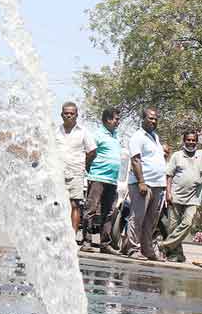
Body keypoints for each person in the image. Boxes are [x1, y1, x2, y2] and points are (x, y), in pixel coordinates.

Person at [121, 107, 166, 260]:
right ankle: (133, 249)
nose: (153, 121)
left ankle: (147, 250)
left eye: (155, 119)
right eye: (150, 118)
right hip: (143, 184)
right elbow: (135, 160)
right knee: (138, 217)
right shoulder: (137, 137)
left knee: (151, 220)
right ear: (143, 119)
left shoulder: (155, 137)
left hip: (158, 185)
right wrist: (141, 182)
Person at [56, 102, 96, 245]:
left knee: (75, 204)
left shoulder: (83, 132)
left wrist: (84, 165)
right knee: (58, 204)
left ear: (76, 115)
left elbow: (92, 151)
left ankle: (71, 238)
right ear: (61, 115)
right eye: (66, 113)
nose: (68, 115)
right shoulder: (56, 131)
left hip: (76, 172)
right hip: (58, 173)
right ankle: (58, 234)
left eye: (71, 113)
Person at [159, 131, 202, 262]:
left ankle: (164, 245)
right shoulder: (177, 156)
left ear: (197, 141)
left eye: (193, 140)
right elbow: (169, 175)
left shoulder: (200, 155)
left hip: (193, 198)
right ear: (184, 141)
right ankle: (176, 255)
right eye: (188, 140)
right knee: (173, 227)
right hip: (176, 196)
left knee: (188, 223)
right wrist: (168, 193)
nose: (191, 142)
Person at [83, 108, 121, 255]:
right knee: (91, 210)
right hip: (98, 178)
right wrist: (90, 170)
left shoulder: (115, 136)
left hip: (112, 180)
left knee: (109, 212)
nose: (118, 121)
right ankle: (86, 242)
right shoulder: (97, 135)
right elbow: (90, 154)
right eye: (116, 119)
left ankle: (105, 244)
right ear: (107, 120)